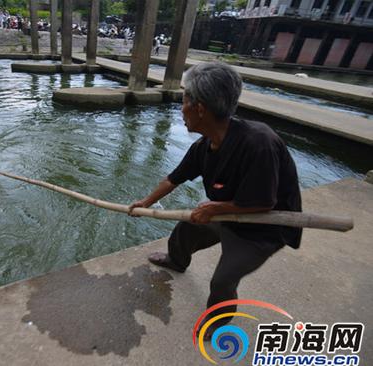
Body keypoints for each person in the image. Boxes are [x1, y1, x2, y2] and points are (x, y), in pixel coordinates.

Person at [128, 62, 302, 339]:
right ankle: (177, 260)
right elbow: (174, 178)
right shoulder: (205, 145)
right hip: (227, 213)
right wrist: (145, 203)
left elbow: (263, 202)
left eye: (184, 100)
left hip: (262, 226)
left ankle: (217, 322)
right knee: (186, 230)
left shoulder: (259, 142)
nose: (180, 108)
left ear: (199, 109)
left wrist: (214, 208)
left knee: (223, 279)